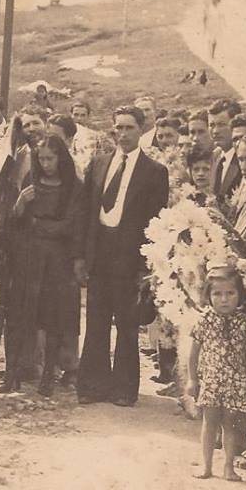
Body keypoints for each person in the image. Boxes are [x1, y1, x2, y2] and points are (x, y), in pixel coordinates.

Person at [76, 104, 169, 407]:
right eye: (119, 127)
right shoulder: (99, 164)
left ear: (141, 130)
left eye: (130, 127)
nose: (124, 133)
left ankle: (124, 389)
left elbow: (156, 222)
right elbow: (88, 213)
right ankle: (93, 385)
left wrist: (146, 266)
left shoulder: (154, 172)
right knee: (96, 322)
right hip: (100, 253)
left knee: (127, 325)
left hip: (130, 259)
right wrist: (82, 256)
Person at [2, 131, 83, 395]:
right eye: (42, 159)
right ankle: (12, 374)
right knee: (21, 315)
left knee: (54, 319)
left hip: (58, 263)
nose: (45, 164)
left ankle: (49, 375)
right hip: (30, 260)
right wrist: (20, 205)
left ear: (61, 158)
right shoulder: (31, 181)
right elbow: (15, 222)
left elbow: (71, 225)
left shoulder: (73, 187)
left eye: (50, 159)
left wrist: (38, 225)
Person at [182, 266, 246, 482]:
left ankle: (228, 467)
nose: (224, 299)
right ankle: (206, 465)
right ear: (208, 295)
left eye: (230, 293)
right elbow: (193, 353)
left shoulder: (245, 323)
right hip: (211, 383)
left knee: (230, 426)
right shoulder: (204, 320)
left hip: (235, 384)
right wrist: (192, 379)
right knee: (209, 423)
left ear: (239, 294)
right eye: (217, 294)